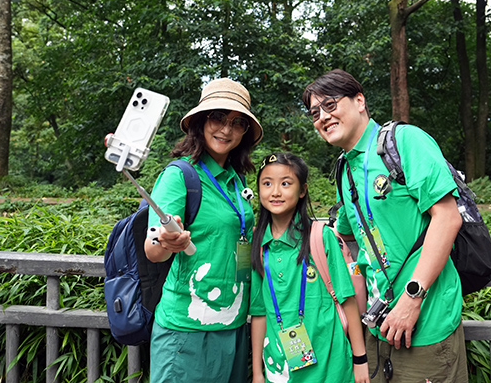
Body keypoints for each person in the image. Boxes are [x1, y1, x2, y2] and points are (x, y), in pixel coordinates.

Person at [302, 69, 468, 383]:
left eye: (330, 105)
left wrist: (412, 299)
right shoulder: (345, 169)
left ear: (359, 101)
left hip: (426, 324)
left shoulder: (404, 142)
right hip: (378, 327)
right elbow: (346, 234)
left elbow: (448, 218)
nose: (322, 116)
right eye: (314, 113)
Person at [144, 78, 263, 383]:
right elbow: (153, 249)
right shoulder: (179, 175)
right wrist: (167, 242)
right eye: (218, 117)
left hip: (234, 324)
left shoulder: (237, 180)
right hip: (186, 330)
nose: (226, 129)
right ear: (200, 121)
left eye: (237, 123)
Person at [249, 152, 370, 383]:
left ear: (302, 190)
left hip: (331, 368)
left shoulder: (320, 237)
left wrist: (360, 359)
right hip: (279, 370)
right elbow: (259, 313)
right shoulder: (259, 244)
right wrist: (257, 373)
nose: (275, 192)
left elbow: (347, 300)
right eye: (267, 183)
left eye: (286, 183)